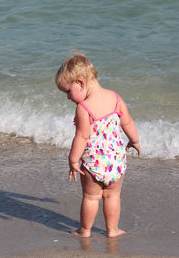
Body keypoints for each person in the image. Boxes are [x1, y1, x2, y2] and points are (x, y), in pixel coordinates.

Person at [55, 51, 141, 238]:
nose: (68, 97)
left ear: (80, 82)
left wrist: (73, 160)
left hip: (94, 163)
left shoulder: (83, 108)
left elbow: (82, 137)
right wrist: (134, 140)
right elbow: (128, 122)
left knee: (91, 197)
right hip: (116, 161)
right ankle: (113, 230)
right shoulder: (115, 97)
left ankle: (85, 230)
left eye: (68, 91)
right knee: (113, 196)